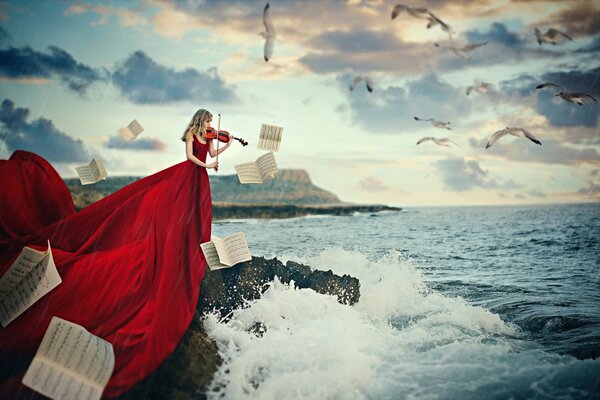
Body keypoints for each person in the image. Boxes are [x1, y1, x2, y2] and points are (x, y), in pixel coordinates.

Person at [0, 108, 233, 398]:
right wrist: (207, 166)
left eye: (213, 124)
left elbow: (212, 151)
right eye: (209, 122)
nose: (211, 126)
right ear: (201, 120)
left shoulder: (209, 136)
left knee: (194, 214)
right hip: (190, 173)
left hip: (199, 176)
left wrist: (226, 145)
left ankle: (191, 242)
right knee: (172, 215)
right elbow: (192, 158)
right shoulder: (191, 135)